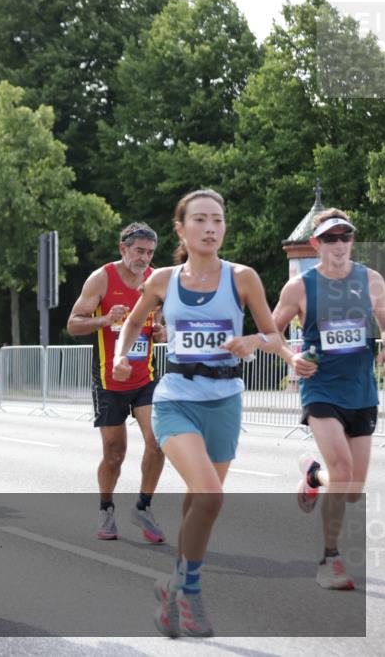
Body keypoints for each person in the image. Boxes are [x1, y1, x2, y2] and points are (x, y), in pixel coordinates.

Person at [113, 189, 294, 638]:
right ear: (182, 228)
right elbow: (134, 322)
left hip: (225, 401)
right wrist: (121, 354)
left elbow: (275, 337)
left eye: (217, 219)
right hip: (175, 400)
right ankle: (190, 593)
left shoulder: (243, 278)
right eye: (200, 220)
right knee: (211, 496)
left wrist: (253, 342)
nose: (211, 227)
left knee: (200, 500)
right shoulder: (162, 281)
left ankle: (173, 586)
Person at [271, 209, 385, 590]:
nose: (339, 245)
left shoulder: (371, 281)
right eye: (331, 238)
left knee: (352, 488)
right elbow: (272, 333)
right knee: (342, 470)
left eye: (345, 237)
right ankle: (330, 559)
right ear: (316, 244)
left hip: (361, 389)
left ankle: (311, 475)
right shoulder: (300, 288)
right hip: (320, 388)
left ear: (352, 241)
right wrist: (292, 357)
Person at [67, 222, 167, 542]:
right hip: (109, 381)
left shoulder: (156, 280)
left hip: (144, 377)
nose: (144, 259)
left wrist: (162, 331)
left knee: (158, 439)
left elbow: (161, 322)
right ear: (122, 249)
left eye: (150, 253)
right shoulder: (102, 278)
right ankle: (106, 508)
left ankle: (143, 506)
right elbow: (73, 324)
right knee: (115, 454)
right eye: (139, 251)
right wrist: (106, 319)